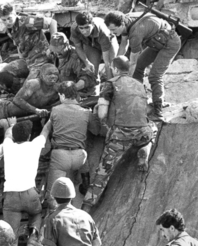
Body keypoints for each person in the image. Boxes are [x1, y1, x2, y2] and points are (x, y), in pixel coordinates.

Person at [82, 56, 157, 213]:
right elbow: (146, 109)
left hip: (120, 136)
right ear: (127, 69)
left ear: (114, 69)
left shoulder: (109, 84)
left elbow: (102, 114)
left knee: (102, 172)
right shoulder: (139, 84)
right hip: (142, 132)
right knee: (153, 129)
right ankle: (145, 148)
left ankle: (86, 207)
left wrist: (98, 112)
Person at [104, 11, 181, 121]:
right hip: (157, 42)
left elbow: (132, 62)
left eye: (113, 30)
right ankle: (141, 99)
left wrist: (127, 81)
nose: (112, 32)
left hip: (170, 44)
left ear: (121, 24)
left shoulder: (135, 33)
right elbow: (123, 43)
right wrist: (115, 63)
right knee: (140, 67)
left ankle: (158, 110)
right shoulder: (126, 22)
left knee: (155, 76)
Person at [45, 81, 100, 210]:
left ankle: (55, 216)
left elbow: (51, 129)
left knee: (52, 196)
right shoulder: (86, 112)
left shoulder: (55, 110)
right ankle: (86, 184)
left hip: (60, 157)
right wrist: (94, 114)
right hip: (79, 157)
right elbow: (96, 131)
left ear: (62, 96)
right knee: (83, 156)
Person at [0, 117, 51, 246]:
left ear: (14, 137)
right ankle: (33, 237)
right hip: (30, 194)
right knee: (36, 214)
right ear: (29, 136)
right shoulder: (35, 144)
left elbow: (7, 134)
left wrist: (11, 125)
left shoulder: (8, 146)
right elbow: (45, 131)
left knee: (11, 232)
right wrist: (49, 120)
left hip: (11, 197)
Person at [0, 3, 57, 81]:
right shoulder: (10, 29)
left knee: (28, 86)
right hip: (28, 61)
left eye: (9, 18)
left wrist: (53, 45)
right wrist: (21, 59)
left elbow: (52, 22)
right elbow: (18, 44)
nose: (7, 22)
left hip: (42, 60)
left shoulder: (27, 22)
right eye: (4, 20)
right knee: (4, 73)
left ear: (14, 14)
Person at [41, 177, 102, 246]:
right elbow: (97, 243)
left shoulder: (52, 219)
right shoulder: (86, 216)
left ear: (53, 196)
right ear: (72, 196)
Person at [70, 12, 119, 84]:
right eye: (81, 28)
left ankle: (113, 86)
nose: (84, 31)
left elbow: (106, 62)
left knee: (112, 66)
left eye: (87, 27)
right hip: (90, 43)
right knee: (91, 69)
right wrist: (87, 62)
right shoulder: (74, 28)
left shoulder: (103, 31)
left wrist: (109, 84)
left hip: (109, 42)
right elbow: (78, 47)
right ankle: (94, 90)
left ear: (92, 24)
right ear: (78, 26)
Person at [48, 32, 98, 96]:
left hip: (79, 93)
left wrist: (72, 89)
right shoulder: (53, 53)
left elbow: (88, 78)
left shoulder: (76, 57)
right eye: (54, 51)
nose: (57, 54)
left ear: (67, 45)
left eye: (60, 52)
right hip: (62, 91)